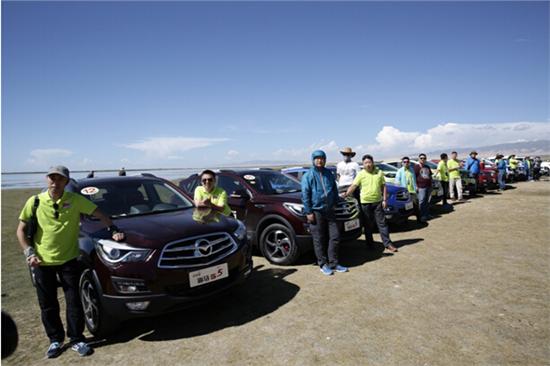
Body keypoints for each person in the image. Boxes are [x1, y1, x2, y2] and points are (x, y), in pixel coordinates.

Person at [16, 166, 125, 358]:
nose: (55, 182)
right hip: (41, 262)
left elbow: (100, 214)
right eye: (52, 178)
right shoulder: (34, 202)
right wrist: (29, 253)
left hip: (69, 260)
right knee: (47, 305)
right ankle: (55, 340)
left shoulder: (75, 200)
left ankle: (76, 339)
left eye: (60, 179)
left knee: (74, 302)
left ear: (66, 182)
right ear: (46, 179)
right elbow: (21, 230)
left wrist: (113, 229)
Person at [302, 150, 348, 275]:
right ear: (313, 160)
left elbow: (333, 189)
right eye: (317, 158)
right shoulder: (308, 175)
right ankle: (322, 264)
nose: (319, 160)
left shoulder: (328, 173)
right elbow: (305, 194)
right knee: (319, 239)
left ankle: (334, 263)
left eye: (322, 158)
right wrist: (308, 212)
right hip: (316, 211)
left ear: (325, 160)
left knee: (335, 236)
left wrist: (337, 200)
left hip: (329, 210)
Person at [344, 154, 398, 253]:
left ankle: (388, 244)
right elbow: (354, 186)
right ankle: (370, 244)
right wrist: (346, 194)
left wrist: (385, 200)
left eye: (369, 162)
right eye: (365, 163)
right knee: (368, 225)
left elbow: (384, 187)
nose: (368, 164)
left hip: (377, 202)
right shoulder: (361, 174)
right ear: (363, 164)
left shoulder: (379, 172)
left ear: (372, 162)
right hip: (365, 203)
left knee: (382, 224)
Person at [394, 156, 420, 222]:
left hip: (412, 190)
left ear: (409, 163)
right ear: (402, 163)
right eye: (404, 162)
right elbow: (397, 182)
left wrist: (416, 187)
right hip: (404, 192)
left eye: (407, 162)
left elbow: (414, 179)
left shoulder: (412, 170)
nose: (406, 163)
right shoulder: (400, 171)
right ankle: (406, 219)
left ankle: (419, 219)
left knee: (416, 205)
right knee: (406, 206)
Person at [414, 153, 433, 222]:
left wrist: (431, 184)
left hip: (428, 186)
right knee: (421, 202)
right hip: (421, 187)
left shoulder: (427, 167)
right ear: (419, 159)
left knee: (427, 202)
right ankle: (421, 216)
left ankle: (426, 214)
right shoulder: (416, 167)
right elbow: (414, 177)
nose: (423, 159)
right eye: (421, 158)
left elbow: (430, 176)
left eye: (424, 158)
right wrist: (416, 186)